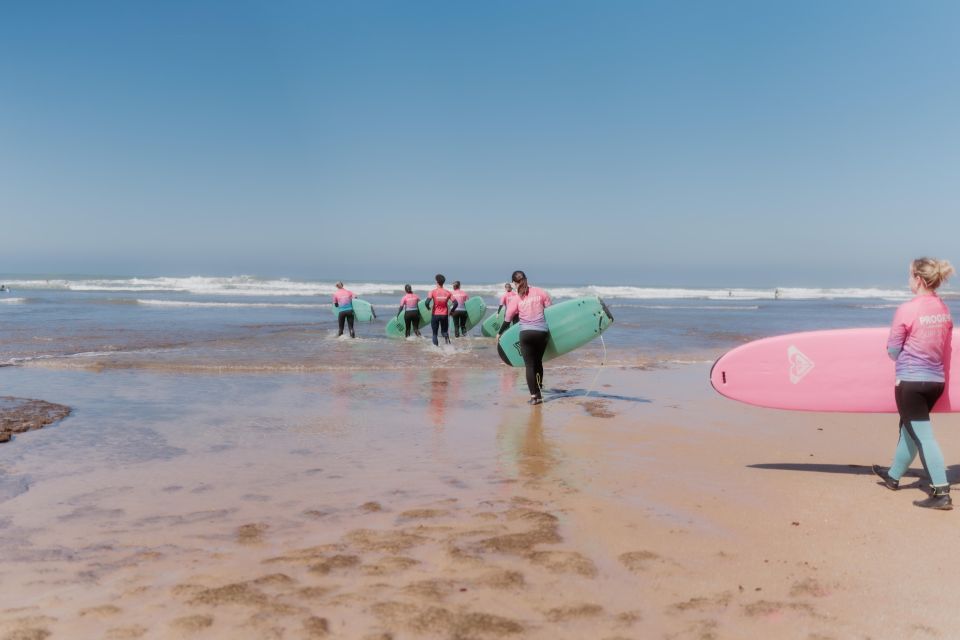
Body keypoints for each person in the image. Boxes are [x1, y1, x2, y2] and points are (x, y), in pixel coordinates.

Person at [873, 257, 955, 510]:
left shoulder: (908, 309)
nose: (908, 281)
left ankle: (941, 492)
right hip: (935, 382)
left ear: (919, 279)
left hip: (911, 382)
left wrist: (893, 348)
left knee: (923, 436)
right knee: (910, 429)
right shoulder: (943, 309)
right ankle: (894, 476)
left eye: (909, 276)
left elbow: (893, 350)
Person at [498, 270, 552, 405]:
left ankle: (535, 397)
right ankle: (539, 391)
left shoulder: (516, 298)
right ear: (526, 278)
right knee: (538, 362)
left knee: (529, 365)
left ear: (514, 283)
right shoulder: (540, 292)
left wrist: (500, 333)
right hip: (542, 333)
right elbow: (551, 311)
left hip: (526, 334)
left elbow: (508, 318)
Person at [425, 274, 458, 346]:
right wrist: (452, 311)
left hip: (435, 315)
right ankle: (449, 347)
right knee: (444, 332)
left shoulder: (432, 292)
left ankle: (436, 349)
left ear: (437, 282)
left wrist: (428, 308)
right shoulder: (448, 292)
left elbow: (427, 302)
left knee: (435, 333)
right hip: (444, 315)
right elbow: (456, 303)